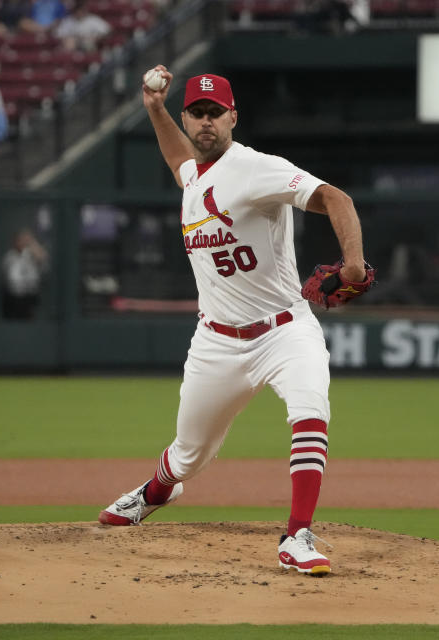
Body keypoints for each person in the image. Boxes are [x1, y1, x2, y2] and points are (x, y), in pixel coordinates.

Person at [96, 66, 371, 576]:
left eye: (214, 114)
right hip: (216, 342)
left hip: (285, 329)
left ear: (232, 118)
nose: (205, 122)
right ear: (187, 117)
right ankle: (153, 494)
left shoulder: (257, 168)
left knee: (310, 409)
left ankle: (298, 536)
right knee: (188, 456)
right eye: (196, 113)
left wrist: (353, 262)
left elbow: (338, 198)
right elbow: (180, 159)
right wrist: (154, 109)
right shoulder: (193, 175)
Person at [1, 227, 49, 319]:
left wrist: (32, 243)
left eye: (25, 240)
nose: (23, 243)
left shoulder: (31, 254)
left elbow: (42, 258)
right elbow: (8, 278)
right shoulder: (9, 256)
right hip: (13, 299)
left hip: (30, 299)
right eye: (21, 240)